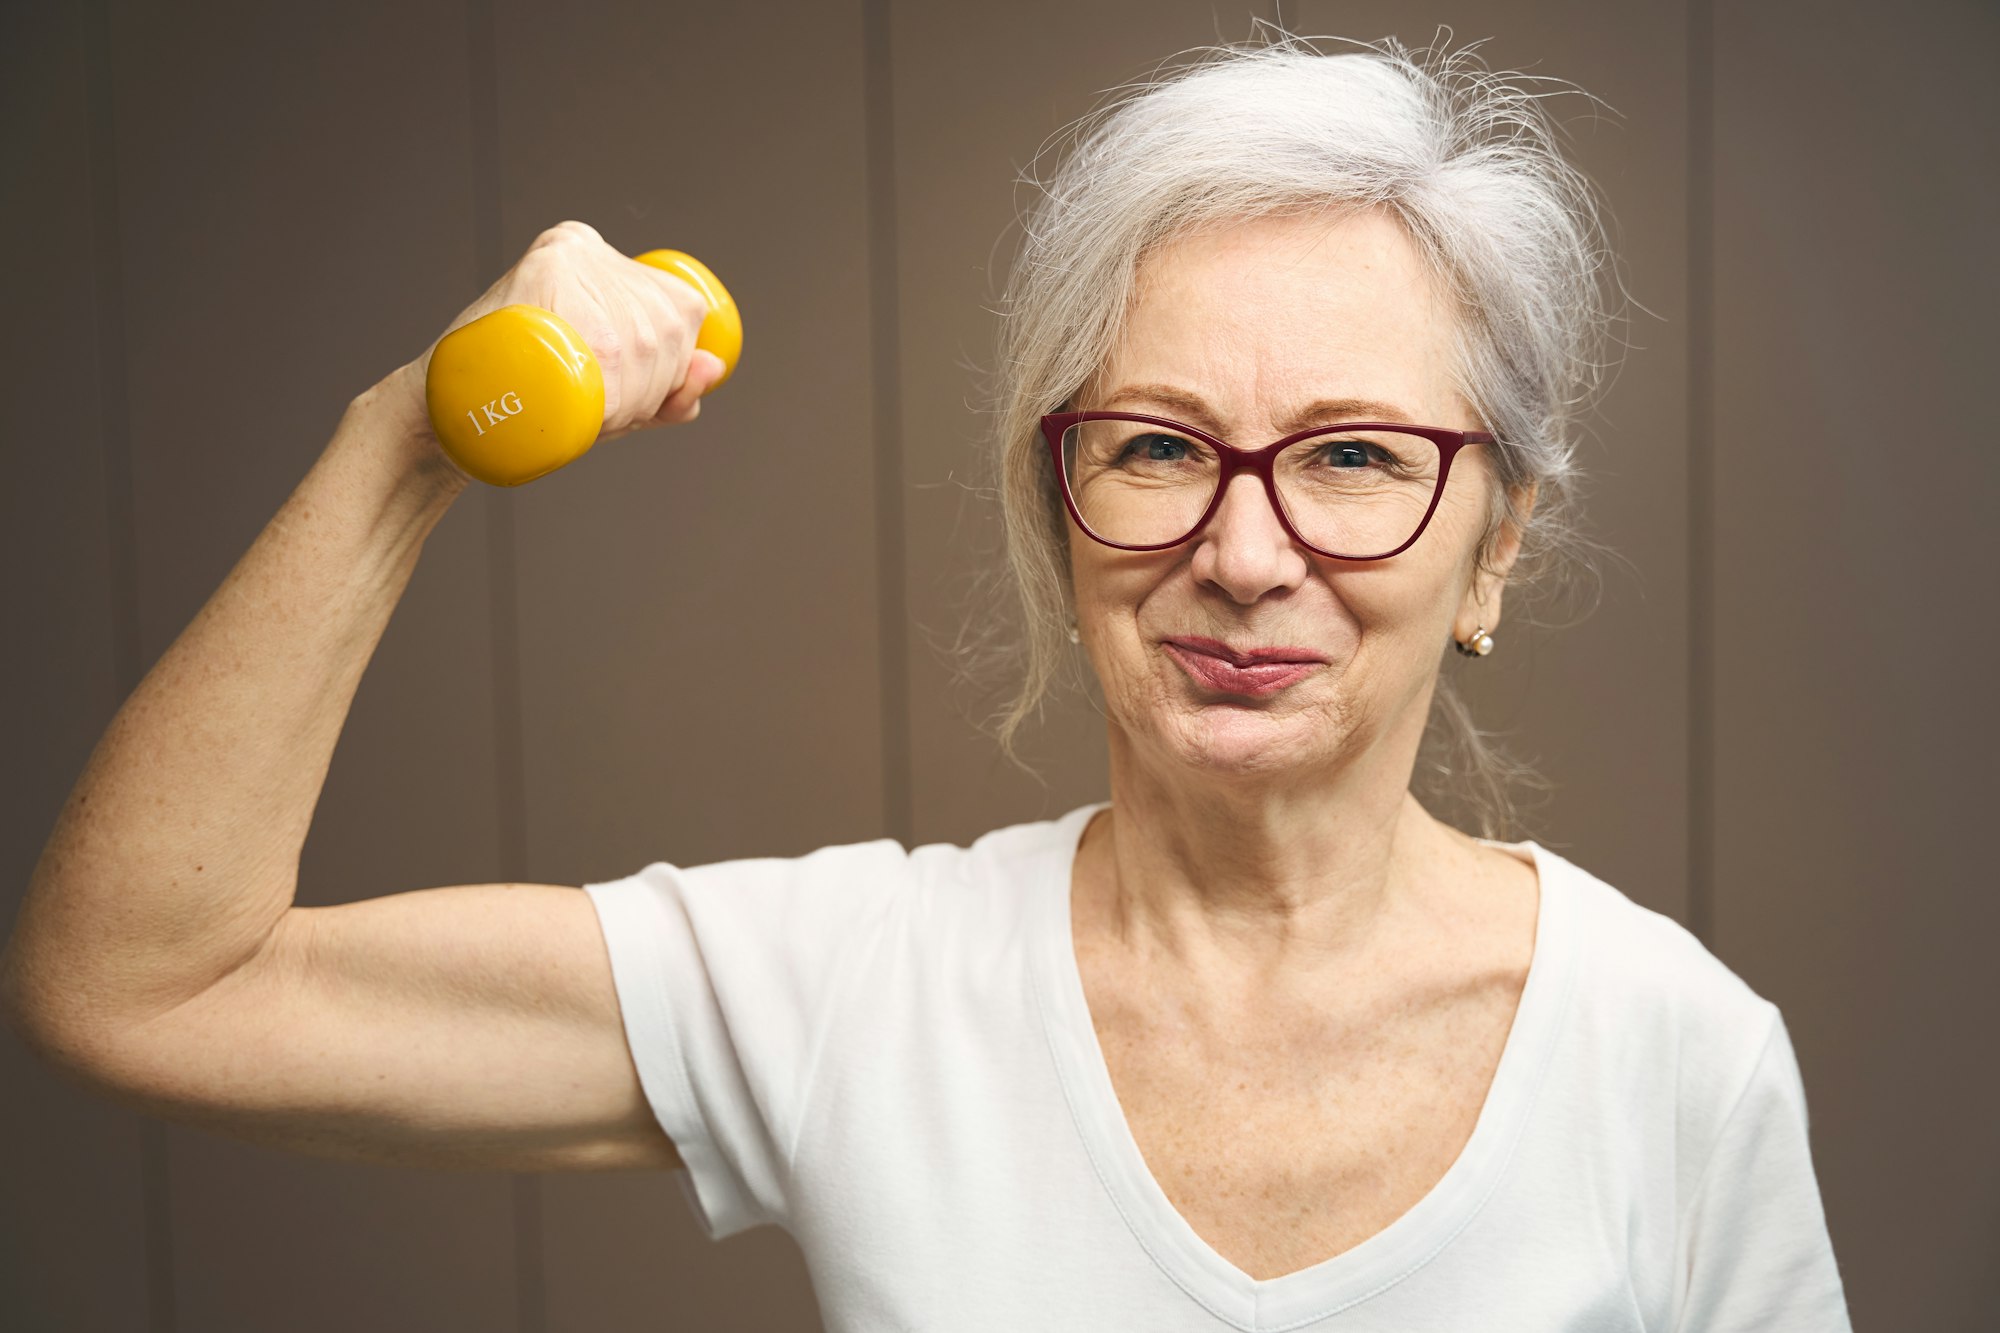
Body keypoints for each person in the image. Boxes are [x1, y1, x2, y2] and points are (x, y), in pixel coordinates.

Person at [2, 32, 1849, 1332]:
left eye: (1358, 456)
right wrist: (409, 434)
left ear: (1497, 544)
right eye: (1155, 445)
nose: (1247, 547)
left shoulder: (1677, 1057)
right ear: (1057, 507)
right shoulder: (859, 987)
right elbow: (148, 983)